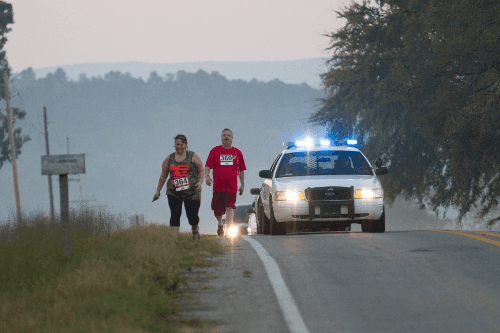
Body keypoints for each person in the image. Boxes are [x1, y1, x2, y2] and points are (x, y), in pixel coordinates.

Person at [153, 134, 204, 240]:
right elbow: (163, 175)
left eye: (181, 145)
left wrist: (200, 182)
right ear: (174, 145)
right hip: (173, 192)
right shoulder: (169, 158)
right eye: (177, 145)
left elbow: (201, 169)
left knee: (192, 217)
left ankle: (195, 231)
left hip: (192, 192)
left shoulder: (193, 156)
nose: (179, 147)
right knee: (175, 214)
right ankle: (173, 240)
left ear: (186, 145)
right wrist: (158, 191)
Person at [205, 128, 246, 237]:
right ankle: (220, 223)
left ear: (232, 138)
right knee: (217, 211)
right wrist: (207, 176)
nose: (226, 137)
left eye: (228, 135)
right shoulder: (215, 151)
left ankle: (228, 232)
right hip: (217, 187)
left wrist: (242, 185)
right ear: (221, 138)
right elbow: (208, 166)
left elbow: (241, 170)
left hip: (231, 187)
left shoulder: (237, 153)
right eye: (224, 135)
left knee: (229, 208)